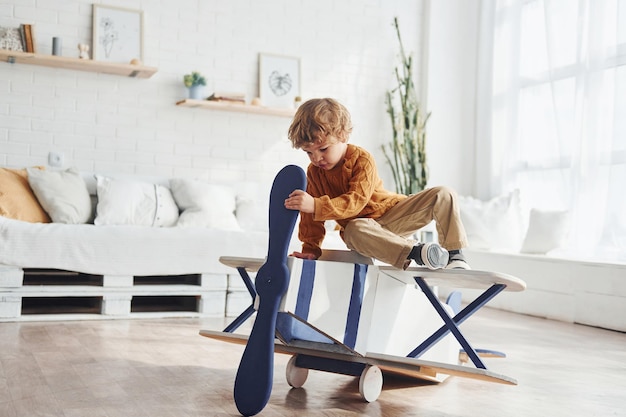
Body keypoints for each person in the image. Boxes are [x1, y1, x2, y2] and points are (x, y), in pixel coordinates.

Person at [284, 98, 470, 270]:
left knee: (444, 193)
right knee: (352, 231)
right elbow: (311, 219)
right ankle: (417, 252)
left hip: (394, 216)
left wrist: (315, 205)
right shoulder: (314, 173)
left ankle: (456, 256)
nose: (316, 158)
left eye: (323, 149)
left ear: (342, 135)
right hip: (364, 232)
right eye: (309, 152)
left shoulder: (361, 159)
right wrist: (311, 248)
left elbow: (356, 201)